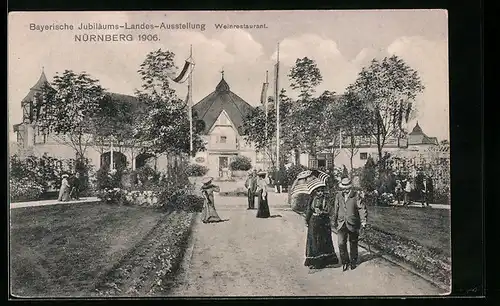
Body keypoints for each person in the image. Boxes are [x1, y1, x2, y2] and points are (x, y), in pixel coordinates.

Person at [332, 177, 368, 271]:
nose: (345, 189)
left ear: (350, 187)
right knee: (341, 243)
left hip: (353, 222)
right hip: (341, 222)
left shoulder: (356, 195)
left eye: (347, 187)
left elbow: (361, 208)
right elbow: (336, 208)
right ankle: (345, 262)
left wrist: (363, 221)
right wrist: (334, 220)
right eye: (343, 187)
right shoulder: (338, 195)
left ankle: (353, 261)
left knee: (353, 243)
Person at [304, 185, 339, 269]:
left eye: (322, 191)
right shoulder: (312, 199)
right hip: (314, 222)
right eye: (318, 191)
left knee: (324, 240)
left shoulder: (326, 199)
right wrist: (307, 220)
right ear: (315, 191)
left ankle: (325, 261)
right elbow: (309, 209)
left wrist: (323, 212)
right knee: (314, 241)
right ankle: (314, 261)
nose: (320, 193)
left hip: (324, 222)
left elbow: (330, 210)